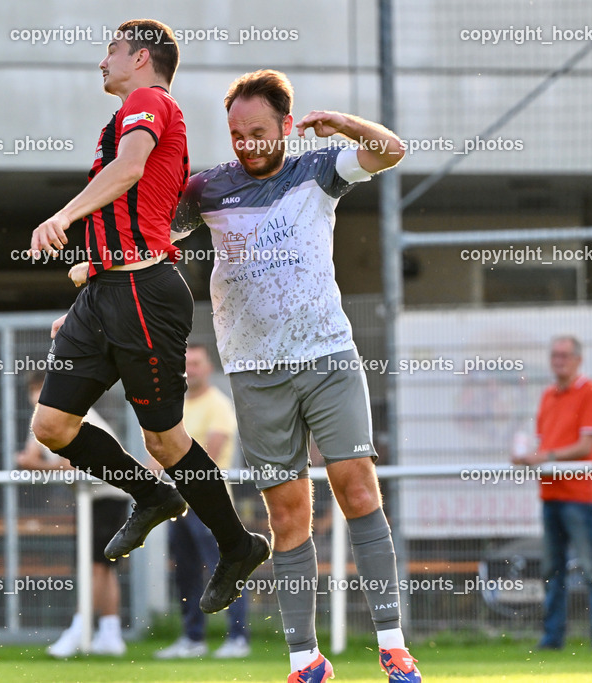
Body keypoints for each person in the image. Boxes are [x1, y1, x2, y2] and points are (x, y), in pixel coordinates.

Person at [171, 70, 421, 683]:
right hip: (255, 373)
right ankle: (306, 660)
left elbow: (391, 151)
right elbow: (148, 236)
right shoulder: (206, 189)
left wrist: (344, 125)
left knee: (356, 487)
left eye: (258, 132)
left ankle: (392, 646)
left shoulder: (320, 168)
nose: (247, 144)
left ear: (286, 125)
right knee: (286, 515)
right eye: (236, 134)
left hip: (328, 357)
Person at [28, 19, 268, 618]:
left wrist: (62, 217)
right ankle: (152, 495)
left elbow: (132, 169)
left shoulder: (148, 100)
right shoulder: (128, 110)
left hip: (142, 289)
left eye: (110, 49)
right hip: (109, 288)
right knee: (51, 426)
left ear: (140, 57)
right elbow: (135, 203)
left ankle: (238, 546)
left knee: (165, 438)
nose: (101, 60)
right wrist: (88, 287)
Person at [15, 372, 129, 657]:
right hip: (93, 496)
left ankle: (79, 630)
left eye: (41, 390)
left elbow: (68, 467)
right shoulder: (42, 421)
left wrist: (37, 467)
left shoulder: (71, 415)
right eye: (33, 390)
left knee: (95, 566)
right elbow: (31, 456)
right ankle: (111, 634)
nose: (36, 397)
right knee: (103, 567)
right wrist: (34, 463)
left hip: (109, 495)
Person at [511, 335, 592, 649]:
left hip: (579, 496)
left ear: (578, 359)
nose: (558, 361)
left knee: (591, 569)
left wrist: (546, 457)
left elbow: (587, 445)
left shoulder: (591, 392)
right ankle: (553, 638)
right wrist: (528, 455)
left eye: (564, 355)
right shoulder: (547, 396)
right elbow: (546, 444)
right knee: (551, 571)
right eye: (554, 355)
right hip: (550, 495)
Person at [156, 344, 249, 660]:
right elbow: (158, 452)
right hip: (180, 504)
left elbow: (207, 453)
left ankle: (238, 638)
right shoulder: (175, 408)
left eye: (196, 363)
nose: (190, 369)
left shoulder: (219, 405)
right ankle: (192, 639)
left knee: (226, 569)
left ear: (208, 367)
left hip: (212, 504)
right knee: (186, 572)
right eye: (186, 364)